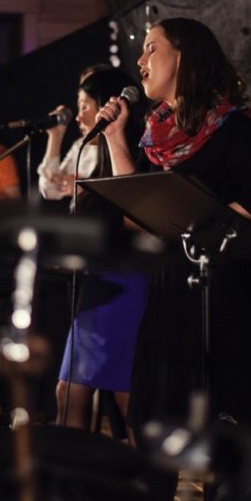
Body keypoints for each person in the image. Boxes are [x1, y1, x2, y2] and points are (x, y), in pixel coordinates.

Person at [96, 17, 251, 435]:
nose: (140, 60)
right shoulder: (155, 136)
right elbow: (135, 214)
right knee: (158, 422)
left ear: (184, 56)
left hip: (220, 290)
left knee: (225, 427)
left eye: (152, 48)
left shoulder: (231, 126)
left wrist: (200, 231)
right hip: (168, 290)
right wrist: (114, 138)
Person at [37, 67, 149, 436]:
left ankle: (142, 468)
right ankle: (73, 469)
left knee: (125, 396)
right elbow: (51, 188)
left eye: (86, 105)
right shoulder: (86, 148)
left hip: (123, 281)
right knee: (69, 391)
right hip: (96, 282)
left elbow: (133, 218)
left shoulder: (133, 149)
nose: (82, 114)